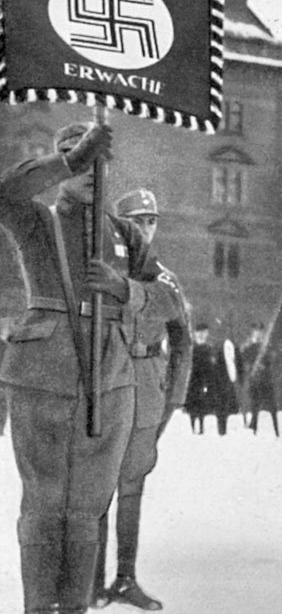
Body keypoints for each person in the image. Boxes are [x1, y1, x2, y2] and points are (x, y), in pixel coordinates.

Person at [0, 123, 176, 614]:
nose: (84, 169)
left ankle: (76, 608)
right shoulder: (37, 219)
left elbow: (170, 301)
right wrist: (72, 159)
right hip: (45, 375)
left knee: (87, 507)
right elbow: (4, 191)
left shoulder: (125, 235)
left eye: (94, 158)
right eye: (70, 156)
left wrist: (126, 291)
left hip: (111, 377)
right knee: (43, 502)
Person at [91, 189, 193, 610]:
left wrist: (174, 399)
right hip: (105, 383)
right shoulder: (99, 271)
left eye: (152, 220)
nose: (146, 228)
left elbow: (183, 342)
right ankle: (91, 583)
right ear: (120, 226)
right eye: (137, 220)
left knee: (132, 485)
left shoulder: (164, 278)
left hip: (148, 386)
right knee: (97, 487)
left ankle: (125, 578)